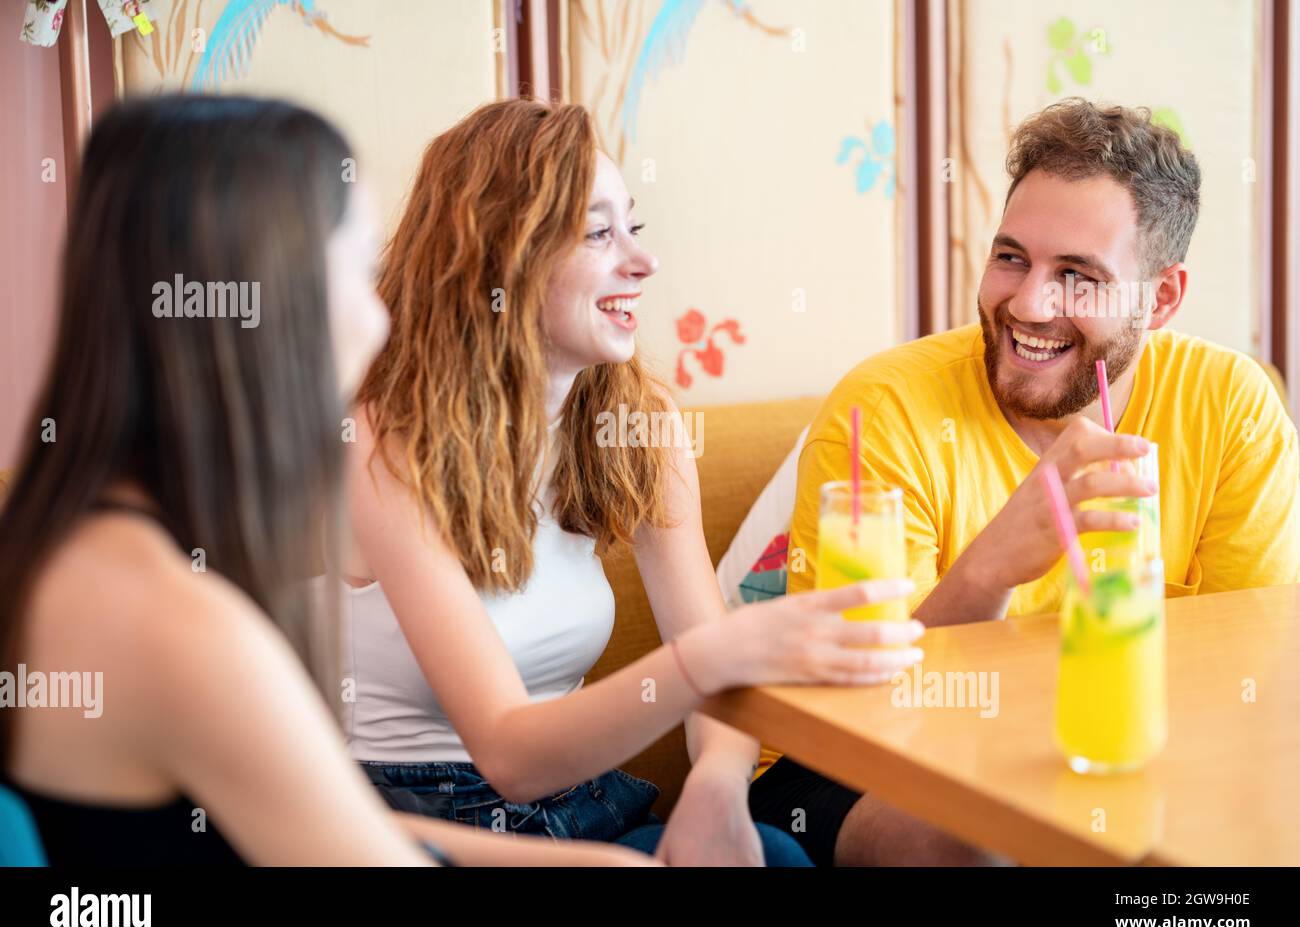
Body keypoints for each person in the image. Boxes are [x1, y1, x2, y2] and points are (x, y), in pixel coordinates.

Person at [0, 94, 654, 866]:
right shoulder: (183, 626)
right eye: (358, 266)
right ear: (265, 300)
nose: (382, 317)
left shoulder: (81, 550)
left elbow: (344, 831)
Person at [335, 97, 925, 865]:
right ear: (500, 257)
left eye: (634, 228)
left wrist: (717, 779)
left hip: (574, 804)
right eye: (597, 233)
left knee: (776, 854)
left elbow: (711, 669)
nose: (642, 262)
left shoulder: (636, 423)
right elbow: (509, 751)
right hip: (412, 819)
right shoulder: (384, 437)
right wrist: (714, 660)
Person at [750, 97, 1300, 866]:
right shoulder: (885, 408)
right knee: (988, 840)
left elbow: (1251, 679)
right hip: (848, 771)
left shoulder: (1233, 408)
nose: (1029, 303)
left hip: (1109, 759)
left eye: (1078, 276)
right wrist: (996, 561)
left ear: (1162, 297)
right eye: (1012, 258)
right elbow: (858, 707)